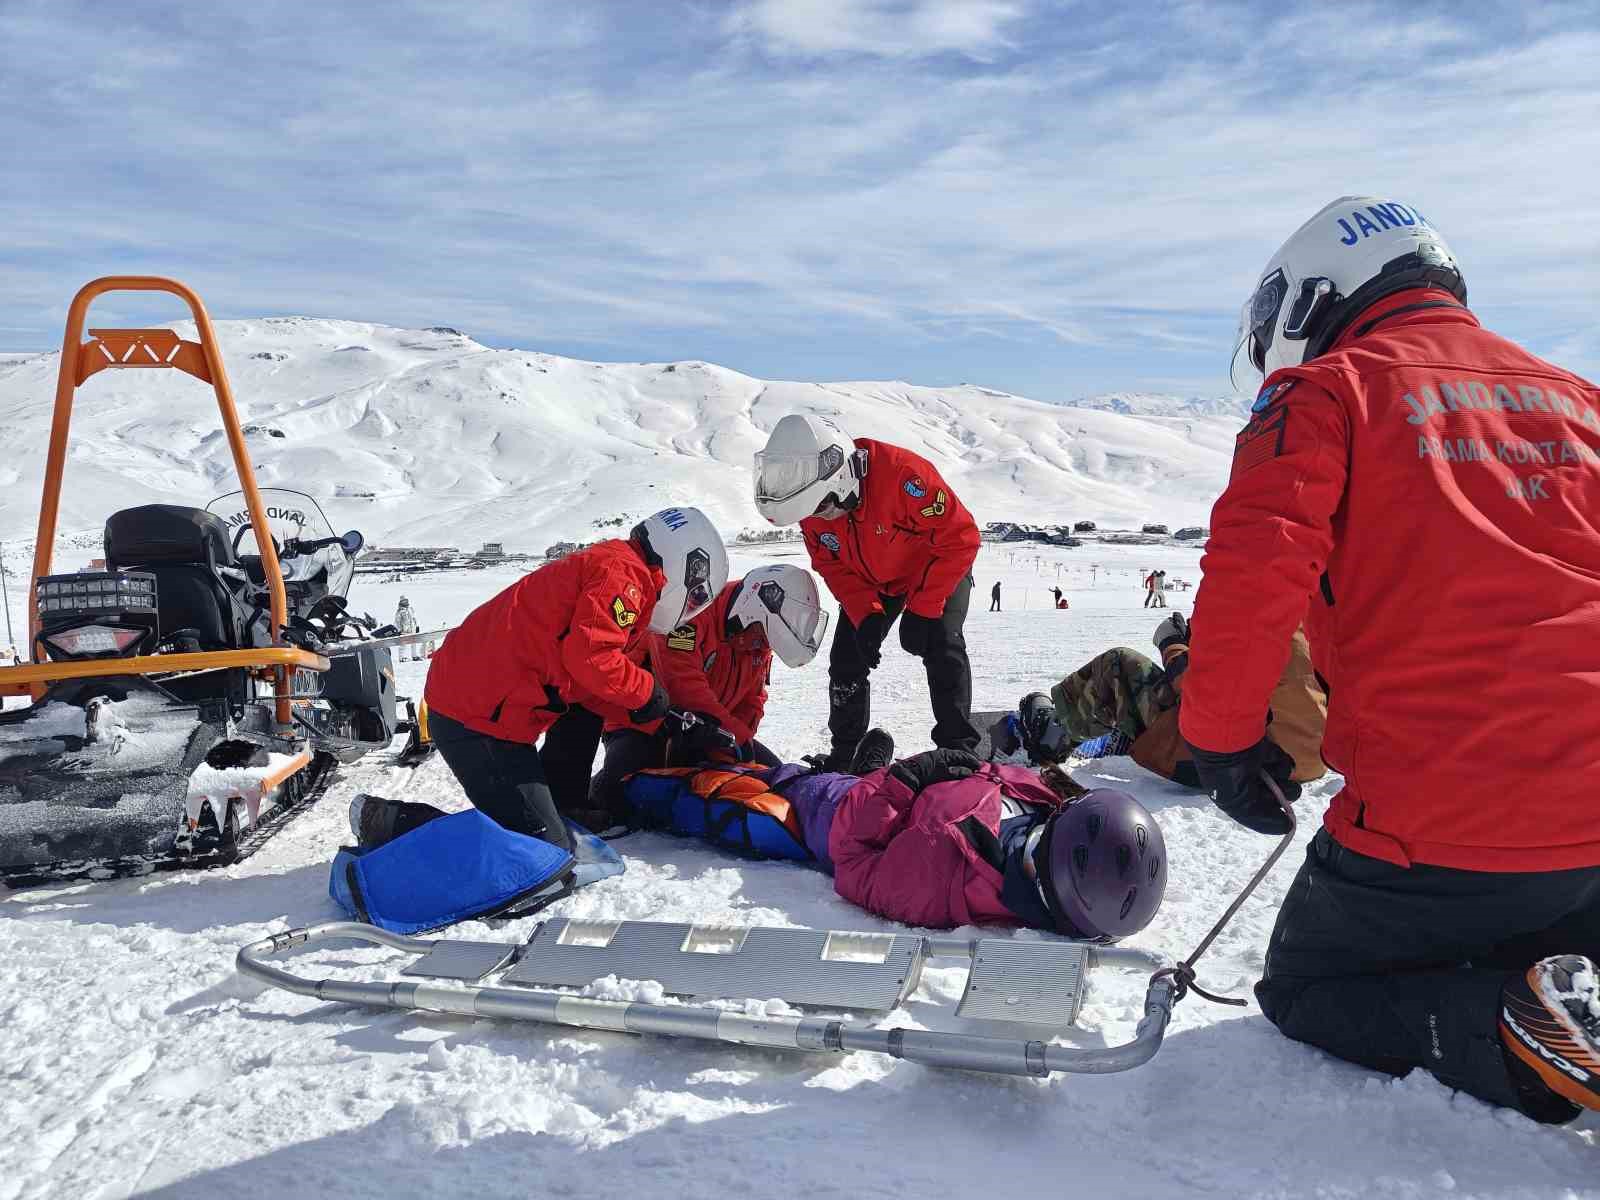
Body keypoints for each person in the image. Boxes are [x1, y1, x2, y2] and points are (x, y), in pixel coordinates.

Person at [1180, 195, 1600, 1121]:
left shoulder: (1326, 391)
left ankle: (1524, 1034)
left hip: (1437, 825)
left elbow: (1254, 576)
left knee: (1304, 985)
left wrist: (1219, 741)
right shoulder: (1578, 399)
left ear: (1317, 293)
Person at [351, 507, 728, 853]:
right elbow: (592, 658)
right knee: (540, 850)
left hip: (487, 699)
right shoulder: (624, 576)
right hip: (475, 717)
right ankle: (390, 823)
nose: (690, 606)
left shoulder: (621, 568)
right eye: (695, 596)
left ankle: (565, 805)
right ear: (685, 564)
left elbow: (593, 687)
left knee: (583, 709)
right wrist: (650, 694)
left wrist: (665, 718)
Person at [753, 413, 982, 768]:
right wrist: (866, 613)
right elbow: (833, 566)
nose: (820, 517)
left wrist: (923, 607)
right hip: (875, 579)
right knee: (846, 659)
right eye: (812, 511)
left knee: (942, 643)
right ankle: (846, 751)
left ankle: (958, 747)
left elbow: (960, 537)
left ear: (843, 478)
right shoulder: (813, 506)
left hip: (935, 567)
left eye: (824, 507)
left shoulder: (905, 476)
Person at [792, 740, 1168, 937]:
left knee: (773, 784)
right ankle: (865, 769)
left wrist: (905, 781)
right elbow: (995, 777)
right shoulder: (1051, 810)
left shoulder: (934, 883)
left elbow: (851, 863)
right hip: (885, 786)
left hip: (838, 811)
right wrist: (965, 766)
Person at [587, 563, 828, 823]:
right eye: (761, 635)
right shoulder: (691, 609)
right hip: (644, 724)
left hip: (712, 731)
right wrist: (733, 737)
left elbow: (753, 699)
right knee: (621, 797)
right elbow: (682, 686)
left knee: (775, 781)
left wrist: (739, 742)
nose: (763, 643)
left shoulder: (757, 637)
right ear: (751, 611)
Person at [1034, 611, 1326, 787]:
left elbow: (1199, 685)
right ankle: (1128, 730)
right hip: (1309, 760)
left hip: (1235, 766)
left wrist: (1171, 643)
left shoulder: (1249, 598)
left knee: (1118, 664)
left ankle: (1054, 733)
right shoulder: (1311, 609)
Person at [393, 596, 421, 661]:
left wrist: (417, 626)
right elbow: (397, 621)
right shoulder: (399, 611)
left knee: (414, 643)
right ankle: (401, 657)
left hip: (412, 629)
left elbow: (414, 618)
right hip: (404, 630)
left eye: (406, 601)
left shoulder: (410, 609)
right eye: (403, 601)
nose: (405, 602)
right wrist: (399, 630)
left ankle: (414, 656)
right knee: (403, 644)